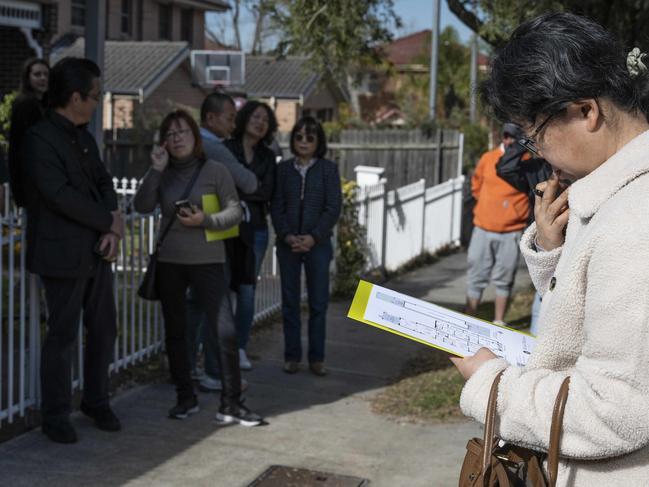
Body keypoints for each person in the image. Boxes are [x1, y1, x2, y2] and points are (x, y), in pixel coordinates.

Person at [451, 13, 649, 486]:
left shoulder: (635, 220)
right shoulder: (612, 191)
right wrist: (551, 248)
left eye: (534, 133)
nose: (535, 151)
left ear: (586, 111)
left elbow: (615, 407)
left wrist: (491, 384)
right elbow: (591, 314)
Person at [133, 109, 262, 426]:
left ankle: (231, 403)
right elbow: (142, 206)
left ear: (195, 135)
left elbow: (234, 213)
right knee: (176, 333)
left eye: (183, 132)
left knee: (225, 332)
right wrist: (155, 170)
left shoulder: (215, 169)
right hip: (170, 263)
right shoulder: (162, 172)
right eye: (170, 133)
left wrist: (204, 220)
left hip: (209, 261)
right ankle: (184, 397)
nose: (176, 139)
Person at [22, 57, 123, 443]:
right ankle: (56, 413)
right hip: (61, 252)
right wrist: (107, 221)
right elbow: (58, 195)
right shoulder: (39, 139)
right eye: (96, 96)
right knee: (62, 335)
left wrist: (111, 222)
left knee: (104, 328)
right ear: (76, 97)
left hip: (97, 249)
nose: (99, 102)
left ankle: (96, 401)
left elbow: (103, 180)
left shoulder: (85, 137)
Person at [184, 92, 259, 392]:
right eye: (230, 117)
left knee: (193, 305)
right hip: (214, 233)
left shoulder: (183, 143)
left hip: (186, 233)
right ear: (211, 118)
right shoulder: (216, 148)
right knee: (217, 306)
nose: (234, 122)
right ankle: (214, 372)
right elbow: (250, 182)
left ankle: (186, 366)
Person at [271, 117, 341, 375]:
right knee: (289, 302)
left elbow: (333, 208)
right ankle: (292, 357)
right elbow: (276, 205)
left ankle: (317, 358)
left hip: (318, 245)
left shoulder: (328, 170)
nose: (303, 142)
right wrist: (287, 235)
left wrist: (313, 237)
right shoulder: (283, 170)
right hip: (288, 243)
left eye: (309, 138)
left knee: (318, 303)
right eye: (299, 137)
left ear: (318, 141)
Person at [225, 101, 277, 370]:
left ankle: (240, 348)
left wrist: (242, 190)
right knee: (221, 288)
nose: (260, 122)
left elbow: (266, 191)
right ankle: (213, 346)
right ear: (244, 118)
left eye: (265, 120)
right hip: (224, 226)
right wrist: (248, 189)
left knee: (246, 291)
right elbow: (221, 185)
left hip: (255, 229)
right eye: (256, 116)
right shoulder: (226, 149)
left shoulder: (268, 157)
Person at [465, 124, 529, 324]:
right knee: (476, 274)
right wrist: (486, 204)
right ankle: (469, 318)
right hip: (483, 228)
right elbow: (475, 184)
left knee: (505, 277)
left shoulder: (526, 161)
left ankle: (499, 321)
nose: (509, 140)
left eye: (513, 137)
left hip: (511, 232)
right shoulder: (488, 158)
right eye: (506, 136)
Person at [496, 130, 553, 335]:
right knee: (543, 296)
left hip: (572, 241)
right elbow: (505, 168)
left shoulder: (579, 167)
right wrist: (524, 140)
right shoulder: (536, 170)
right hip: (543, 245)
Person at [8, 58, 49, 207]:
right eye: (37, 74)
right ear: (28, 77)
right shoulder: (24, 105)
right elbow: (16, 145)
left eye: (46, 74)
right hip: (30, 178)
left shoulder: (48, 105)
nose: (43, 78)